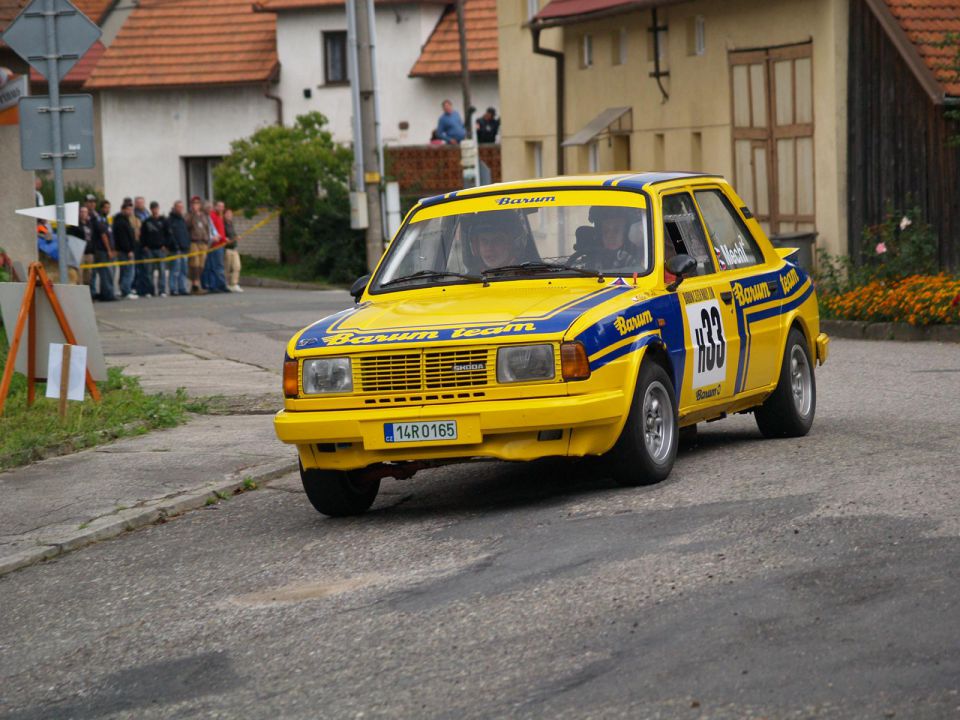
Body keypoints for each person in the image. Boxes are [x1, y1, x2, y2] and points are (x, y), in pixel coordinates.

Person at [462, 212, 530, 271]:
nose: (489, 248)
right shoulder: (467, 282)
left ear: (512, 245)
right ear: (476, 247)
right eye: (484, 241)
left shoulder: (530, 277)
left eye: (497, 240)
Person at [139, 201, 169, 296]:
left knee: (162, 270)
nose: (155, 210)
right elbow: (142, 235)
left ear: (158, 209)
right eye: (153, 208)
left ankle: (162, 290)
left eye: (156, 208)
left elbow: (168, 234)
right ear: (151, 209)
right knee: (149, 271)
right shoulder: (146, 222)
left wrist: (166, 245)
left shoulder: (163, 220)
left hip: (161, 249)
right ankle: (150, 290)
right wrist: (144, 246)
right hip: (149, 250)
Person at [113, 199, 138, 298]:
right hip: (125, 251)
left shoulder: (125, 220)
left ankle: (124, 289)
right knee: (128, 271)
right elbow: (123, 238)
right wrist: (129, 250)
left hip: (126, 250)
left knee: (125, 271)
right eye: (128, 210)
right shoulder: (120, 221)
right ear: (123, 210)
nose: (130, 212)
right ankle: (126, 291)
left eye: (131, 210)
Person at [185, 196, 210, 295]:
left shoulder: (203, 216)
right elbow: (187, 226)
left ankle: (197, 284)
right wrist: (193, 214)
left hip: (203, 242)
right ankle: (195, 285)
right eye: (194, 203)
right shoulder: (189, 215)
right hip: (194, 241)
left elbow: (206, 228)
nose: (196, 205)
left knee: (201, 264)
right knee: (194, 263)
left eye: (198, 203)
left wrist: (207, 239)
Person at [203, 200, 229, 292]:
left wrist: (224, 238)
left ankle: (219, 284)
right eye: (219, 206)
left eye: (223, 207)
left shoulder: (219, 216)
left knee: (218, 266)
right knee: (216, 266)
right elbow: (212, 230)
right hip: (215, 245)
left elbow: (219, 231)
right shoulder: (212, 216)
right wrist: (217, 238)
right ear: (215, 207)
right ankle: (216, 285)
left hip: (221, 244)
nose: (221, 208)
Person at [166, 200, 190, 296]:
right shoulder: (170, 220)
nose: (180, 209)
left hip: (184, 249)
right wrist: (175, 247)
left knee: (183, 270)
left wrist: (187, 245)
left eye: (181, 207)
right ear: (174, 208)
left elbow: (185, 234)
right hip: (175, 250)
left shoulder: (182, 219)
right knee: (175, 270)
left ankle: (182, 288)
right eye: (178, 207)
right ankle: (173, 288)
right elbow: (170, 235)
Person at [223, 207, 242, 292]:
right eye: (227, 214)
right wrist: (231, 240)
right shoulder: (223, 224)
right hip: (227, 249)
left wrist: (236, 238)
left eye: (230, 214)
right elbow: (225, 238)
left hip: (234, 249)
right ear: (224, 215)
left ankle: (234, 284)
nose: (229, 215)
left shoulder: (231, 224)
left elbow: (233, 235)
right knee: (227, 268)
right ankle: (226, 284)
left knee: (237, 266)